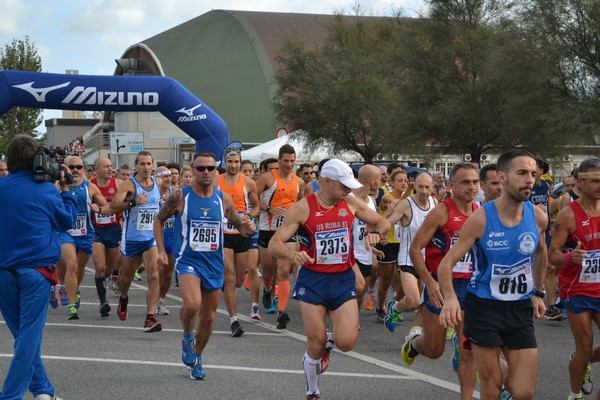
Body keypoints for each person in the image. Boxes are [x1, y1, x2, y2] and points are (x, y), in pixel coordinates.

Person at [268, 159, 389, 400]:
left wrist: (377, 233)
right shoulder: (303, 208)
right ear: (326, 181)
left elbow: (382, 221)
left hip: (343, 278)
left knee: (347, 342)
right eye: (343, 185)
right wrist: (293, 254)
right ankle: (312, 390)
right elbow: (274, 244)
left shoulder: (350, 202)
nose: (348, 190)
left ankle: (329, 346)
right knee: (315, 340)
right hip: (313, 280)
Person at [438, 150, 548, 400]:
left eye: (532, 174)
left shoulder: (538, 217)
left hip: (520, 309)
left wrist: (538, 292)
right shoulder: (481, 219)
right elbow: (446, 264)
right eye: (521, 173)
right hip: (484, 309)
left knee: (523, 392)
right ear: (502, 177)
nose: (529, 180)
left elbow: (542, 253)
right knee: (492, 388)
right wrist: (451, 299)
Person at [153, 152, 255, 380]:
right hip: (188, 260)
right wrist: (160, 250)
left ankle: (197, 358)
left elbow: (240, 227)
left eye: (210, 168)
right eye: (201, 168)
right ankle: (187, 337)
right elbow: (158, 220)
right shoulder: (180, 197)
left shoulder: (223, 199)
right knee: (192, 304)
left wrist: (248, 228)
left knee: (209, 317)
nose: (206, 172)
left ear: (215, 171)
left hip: (214, 263)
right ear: (194, 171)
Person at [0, 134, 77, 400]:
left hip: (4, 272)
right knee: (28, 339)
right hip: (36, 272)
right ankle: (10, 396)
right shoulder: (45, 189)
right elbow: (67, 221)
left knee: (23, 337)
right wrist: (65, 192)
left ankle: (43, 390)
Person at [402, 162, 479, 400]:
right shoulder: (442, 212)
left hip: (469, 286)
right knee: (434, 350)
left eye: (475, 182)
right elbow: (415, 249)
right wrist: (429, 281)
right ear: (451, 185)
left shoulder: (480, 212)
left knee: (469, 351)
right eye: (465, 182)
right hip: (440, 285)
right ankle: (414, 343)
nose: (472, 187)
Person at [94, 151, 163, 332]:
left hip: (150, 238)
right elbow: (115, 205)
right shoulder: (129, 184)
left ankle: (150, 317)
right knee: (126, 278)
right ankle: (123, 297)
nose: (146, 168)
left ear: (153, 165)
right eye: (142, 164)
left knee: (154, 275)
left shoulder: (158, 183)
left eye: (149, 164)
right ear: (136, 166)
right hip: (132, 238)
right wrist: (133, 202)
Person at [549, 158, 600, 400]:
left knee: (586, 352)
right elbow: (552, 255)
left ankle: (582, 362)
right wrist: (571, 257)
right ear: (580, 181)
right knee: (585, 346)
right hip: (577, 289)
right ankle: (575, 394)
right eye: (595, 181)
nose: (599, 186)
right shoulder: (569, 215)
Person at [55, 156, 112, 320]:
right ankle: (72, 307)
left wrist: (98, 208)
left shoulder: (90, 187)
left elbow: (107, 206)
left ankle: (74, 290)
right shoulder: (57, 186)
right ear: (65, 168)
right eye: (71, 167)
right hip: (66, 232)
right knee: (70, 264)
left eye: (78, 167)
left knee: (79, 269)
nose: (75, 170)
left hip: (86, 233)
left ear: (83, 169)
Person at [255, 144, 305, 328]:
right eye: (286, 161)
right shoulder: (268, 178)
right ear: (278, 160)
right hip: (268, 229)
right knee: (268, 271)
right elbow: (253, 198)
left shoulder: (298, 182)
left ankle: (282, 312)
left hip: (287, 231)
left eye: (292, 161)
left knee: (284, 270)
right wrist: (269, 208)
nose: (289, 164)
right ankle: (267, 289)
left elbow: (300, 205)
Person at [384, 172, 437, 332]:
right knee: (414, 301)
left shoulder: (435, 203)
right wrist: (378, 232)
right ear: (414, 185)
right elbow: (389, 222)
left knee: (424, 303)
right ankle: (395, 308)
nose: (424, 191)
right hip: (408, 258)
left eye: (427, 187)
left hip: (428, 260)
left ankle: (414, 334)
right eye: (420, 186)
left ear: (432, 187)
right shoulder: (406, 204)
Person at [218, 147, 259, 336]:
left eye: (236, 162)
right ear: (224, 163)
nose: (233, 165)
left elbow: (257, 205)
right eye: (230, 162)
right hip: (223, 233)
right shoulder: (216, 182)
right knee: (230, 276)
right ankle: (234, 320)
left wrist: (249, 216)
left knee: (240, 280)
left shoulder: (249, 183)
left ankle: (226, 289)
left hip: (241, 233)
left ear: (240, 163)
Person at [90, 157, 123, 317]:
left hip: (114, 229)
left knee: (109, 269)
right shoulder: (90, 185)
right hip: (96, 230)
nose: (110, 169)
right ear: (96, 170)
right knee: (100, 267)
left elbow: (125, 204)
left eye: (111, 166)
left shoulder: (118, 184)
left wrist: (123, 218)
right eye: (106, 167)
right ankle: (103, 302)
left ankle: (107, 279)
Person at [155, 166, 176, 315]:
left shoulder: (176, 194)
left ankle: (161, 300)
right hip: (156, 238)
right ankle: (153, 300)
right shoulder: (152, 194)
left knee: (168, 274)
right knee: (157, 273)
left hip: (172, 238)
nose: (168, 179)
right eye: (163, 176)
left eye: (169, 175)